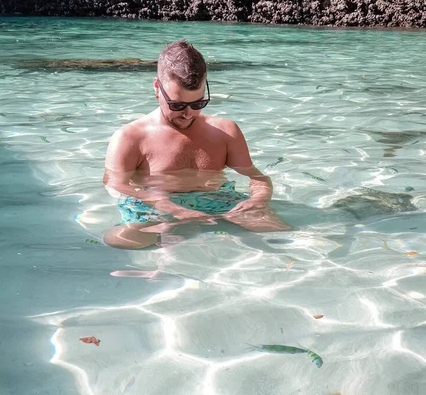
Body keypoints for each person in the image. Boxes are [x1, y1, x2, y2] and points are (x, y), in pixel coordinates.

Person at [103, 39, 289, 249]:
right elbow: (114, 184)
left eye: (198, 103)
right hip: (156, 204)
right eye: (177, 104)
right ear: (157, 88)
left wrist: (257, 200)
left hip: (218, 200)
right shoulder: (130, 137)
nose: (188, 113)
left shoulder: (226, 131)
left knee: (284, 236)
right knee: (120, 239)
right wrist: (168, 207)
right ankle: (170, 239)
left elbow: (256, 177)